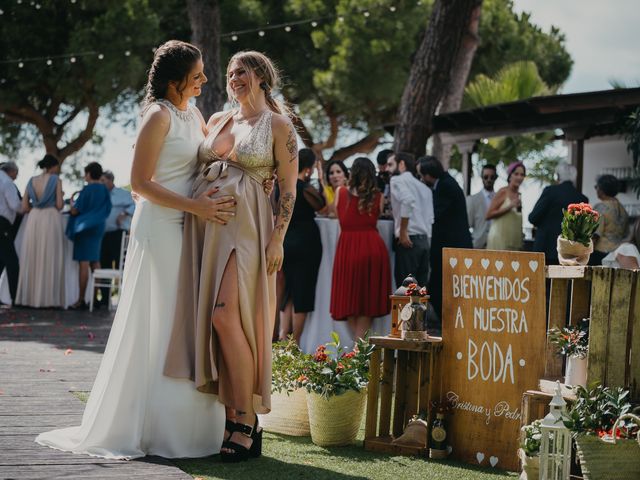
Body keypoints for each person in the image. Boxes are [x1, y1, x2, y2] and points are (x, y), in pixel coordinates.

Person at [37, 40, 235, 460]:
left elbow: (205, 160)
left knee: (185, 320)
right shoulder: (157, 116)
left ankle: (191, 424)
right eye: (197, 74)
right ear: (175, 79)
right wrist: (196, 205)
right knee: (162, 318)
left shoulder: (194, 113)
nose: (204, 79)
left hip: (191, 227)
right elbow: (141, 184)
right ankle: (153, 427)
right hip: (162, 227)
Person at [164, 50, 298, 463]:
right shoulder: (218, 119)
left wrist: (278, 240)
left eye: (241, 71)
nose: (233, 78)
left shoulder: (279, 125)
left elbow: (288, 190)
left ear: (260, 76)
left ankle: (248, 420)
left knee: (227, 316)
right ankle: (230, 415)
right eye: (229, 73)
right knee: (216, 323)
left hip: (249, 229)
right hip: (206, 231)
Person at [330, 157, 391, 341]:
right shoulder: (379, 197)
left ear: (352, 173)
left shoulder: (340, 193)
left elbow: (336, 215)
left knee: (349, 299)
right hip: (373, 249)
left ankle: (358, 350)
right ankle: (359, 348)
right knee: (367, 302)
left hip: (348, 249)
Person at [279, 148, 325, 344]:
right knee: (303, 293)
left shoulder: (282, 186)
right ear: (309, 168)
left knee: (288, 292)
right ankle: (295, 341)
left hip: (286, 241)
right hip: (306, 243)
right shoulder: (305, 188)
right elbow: (323, 206)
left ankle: (283, 336)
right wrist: (322, 182)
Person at [419, 156, 472, 322]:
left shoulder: (445, 186)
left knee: (438, 287)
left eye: (421, 175)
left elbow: (434, 213)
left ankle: (448, 323)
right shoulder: (445, 183)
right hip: (449, 246)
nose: (421, 178)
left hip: (451, 247)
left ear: (429, 175)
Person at [15, 154, 65, 308]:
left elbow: (24, 207)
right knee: (50, 255)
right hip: (50, 217)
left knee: (33, 255)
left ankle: (30, 298)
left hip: (34, 218)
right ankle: (48, 299)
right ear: (53, 166)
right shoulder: (56, 180)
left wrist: (35, 207)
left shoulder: (31, 180)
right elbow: (59, 205)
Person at [65, 162, 112, 310]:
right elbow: (107, 208)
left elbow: (75, 211)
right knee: (95, 261)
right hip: (98, 227)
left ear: (90, 173)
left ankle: (81, 299)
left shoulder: (87, 190)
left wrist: (72, 202)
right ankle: (94, 299)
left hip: (84, 228)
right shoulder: (104, 190)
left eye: (86, 173)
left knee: (84, 263)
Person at [387, 152, 434, 289]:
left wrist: (403, 231)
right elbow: (430, 219)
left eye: (391, 164)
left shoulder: (397, 180)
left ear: (401, 164)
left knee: (405, 295)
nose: (388, 169)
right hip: (424, 242)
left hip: (409, 242)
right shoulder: (425, 188)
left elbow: (407, 200)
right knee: (419, 295)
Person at [529, 163, 588, 265]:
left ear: (558, 176)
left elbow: (533, 218)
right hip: (569, 252)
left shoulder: (550, 191)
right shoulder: (582, 198)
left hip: (545, 248)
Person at [96, 170, 136, 308]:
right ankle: (104, 300)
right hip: (103, 235)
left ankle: (124, 301)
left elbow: (134, 204)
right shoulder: (100, 195)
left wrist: (124, 213)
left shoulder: (123, 194)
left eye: (103, 180)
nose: (101, 183)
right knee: (105, 265)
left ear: (110, 180)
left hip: (118, 234)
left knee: (121, 266)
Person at [486, 161, 526, 251]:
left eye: (522, 175)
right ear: (510, 175)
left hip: (514, 244)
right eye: (516, 174)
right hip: (499, 242)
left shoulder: (519, 195)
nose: (519, 177)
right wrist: (510, 206)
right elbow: (488, 215)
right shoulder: (503, 191)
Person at [591, 174, 629, 265]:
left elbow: (595, 234)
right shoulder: (622, 209)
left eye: (596, 187)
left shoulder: (601, 207)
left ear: (601, 189)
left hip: (600, 253)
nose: (596, 189)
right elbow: (626, 234)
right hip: (618, 254)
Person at [0, 161, 22, 305]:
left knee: (1, 260)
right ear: (12, 171)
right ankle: (15, 297)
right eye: (16, 172)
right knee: (12, 261)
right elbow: (15, 205)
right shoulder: (7, 183)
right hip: (2, 224)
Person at [466, 164, 497, 249]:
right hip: (478, 245)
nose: (489, 180)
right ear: (482, 178)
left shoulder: (500, 198)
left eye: (492, 177)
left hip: (497, 245)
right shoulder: (472, 200)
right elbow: (467, 224)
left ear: (495, 178)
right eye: (486, 177)